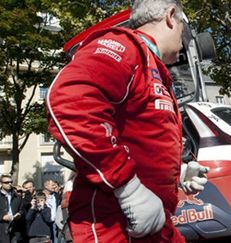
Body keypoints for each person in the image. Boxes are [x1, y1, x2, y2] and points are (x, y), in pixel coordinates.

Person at [46, 0, 208, 242]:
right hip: (113, 222)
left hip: (150, 220)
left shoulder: (153, 67)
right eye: (183, 29)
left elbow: (139, 138)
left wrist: (178, 173)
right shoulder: (124, 46)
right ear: (171, 16)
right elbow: (71, 102)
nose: (183, 40)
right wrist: (129, 190)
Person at [0, 174, 25, 243]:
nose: (9, 184)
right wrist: (2, 217)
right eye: (6, 182)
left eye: (11, 182)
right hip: (2, 228)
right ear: (1, 183)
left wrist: (19, 214)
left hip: (15, 228)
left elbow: (22, 209)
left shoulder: (16, 196)